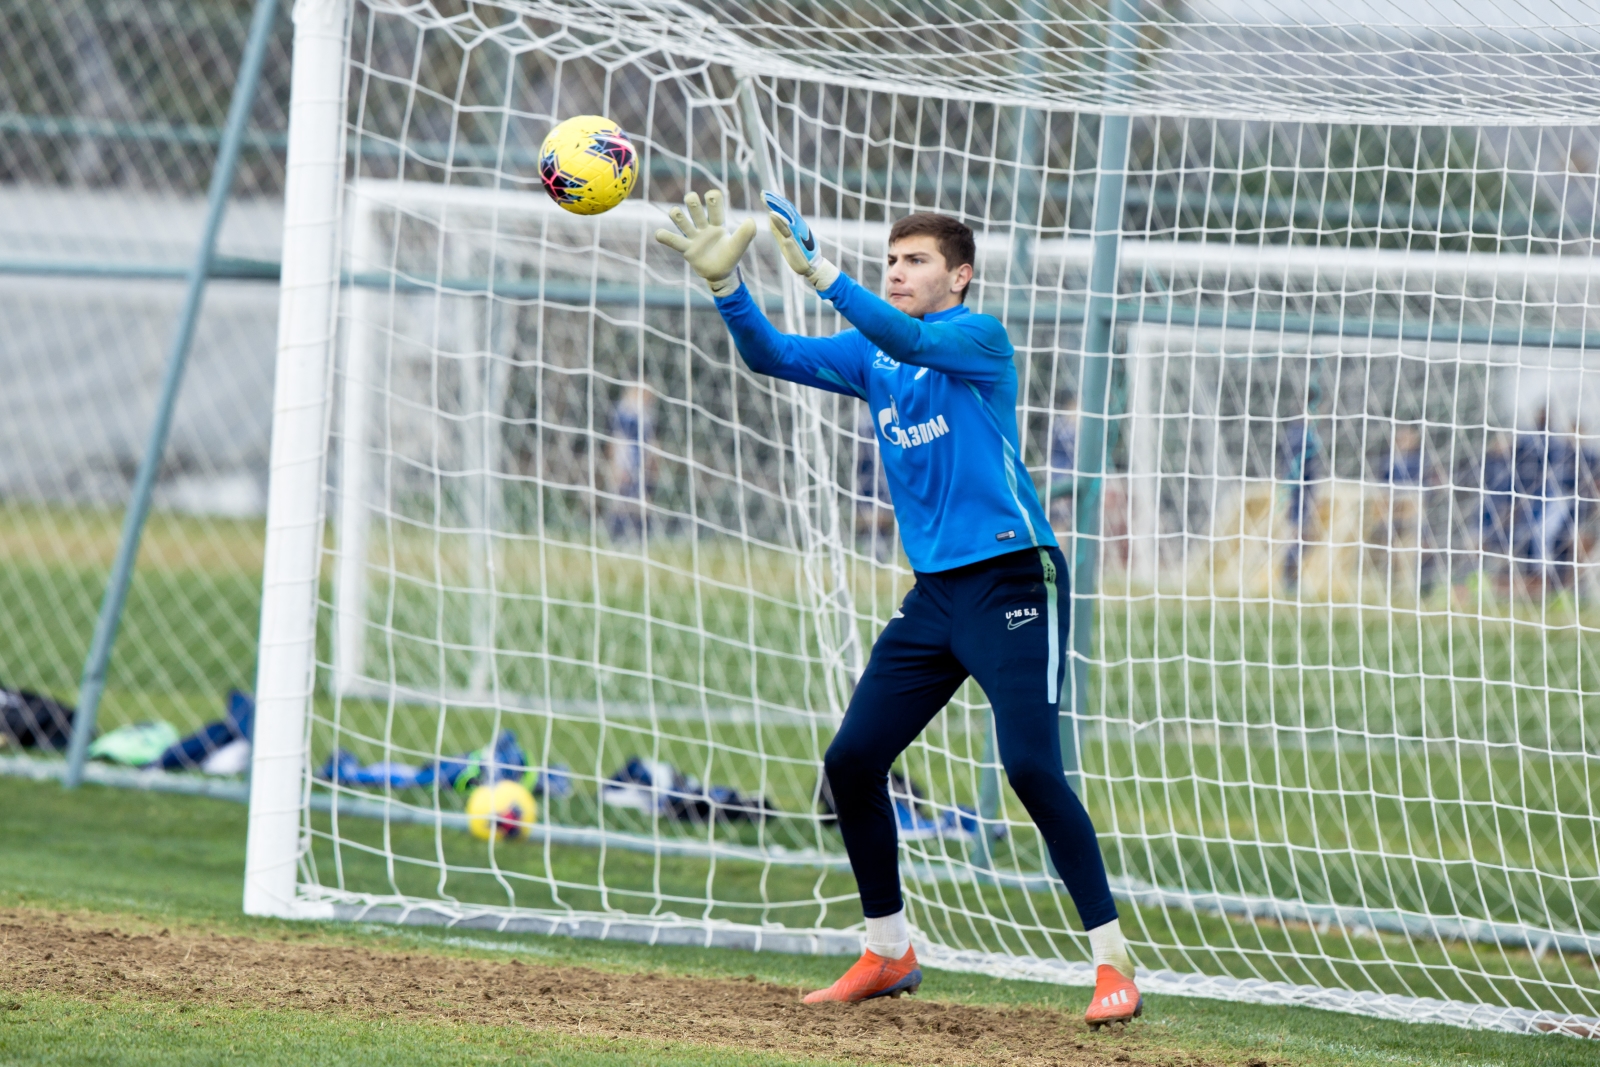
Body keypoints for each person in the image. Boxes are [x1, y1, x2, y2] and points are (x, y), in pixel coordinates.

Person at [655, 189, 1139, 1027]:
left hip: (1013, 581)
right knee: (851, 761)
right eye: (890, 261)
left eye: (916, 261)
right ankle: (889, 949)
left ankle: (1112, 962)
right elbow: (772, 355)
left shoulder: (978, 339)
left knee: (1030, 768)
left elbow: (910, 338)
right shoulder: (873, 354)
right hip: (936, 595)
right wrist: (725, 286)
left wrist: (822, 273)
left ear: (961, 276)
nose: (898, 272)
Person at [1277, 409, 1325, 595]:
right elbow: (1298, 469)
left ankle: (1291, 579)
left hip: (1299, 492)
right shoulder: (1303, 437)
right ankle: (1289, 580)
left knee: (1303, 536)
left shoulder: (1296, 435)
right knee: (1300, 536)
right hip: (1300, 494)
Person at [607, 385, 656, 541]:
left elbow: (649, 440)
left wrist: (651, 460)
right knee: (622, 498)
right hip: (626, 461)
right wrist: (618, 465)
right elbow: (618, 440)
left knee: (640, 498)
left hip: (641, 461)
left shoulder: (645, 414)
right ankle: (618, 535)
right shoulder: (625, 413)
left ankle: (640, 536)